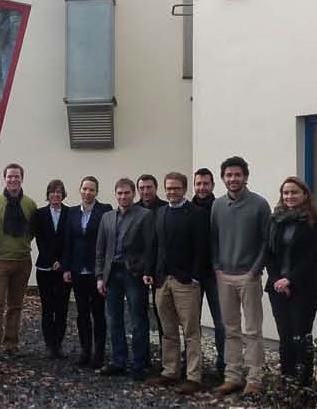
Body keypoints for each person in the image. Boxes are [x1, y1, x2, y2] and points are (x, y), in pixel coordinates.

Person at [143, 172, 208, 395]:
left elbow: (202, 248)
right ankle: (170, 371)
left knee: (191, 331)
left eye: (176, 188)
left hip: (186, 282)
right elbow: (154, 245)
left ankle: (193, 376)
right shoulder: (159, 213)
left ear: (184, 189)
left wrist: (195, 276)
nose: (172, 192)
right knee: (168, 330)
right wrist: (149, 271)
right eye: (169, 188)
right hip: (162, 280)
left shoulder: (197, 214)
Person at [211, 156, 271, 397]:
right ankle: (233, 377)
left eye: (237, 174)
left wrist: (254, 270)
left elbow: (267, 242)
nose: (233, 179)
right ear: (223, 178)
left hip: (249, 276)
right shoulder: (217, 206)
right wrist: (217, 267)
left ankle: (255, 379)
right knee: (230, 329)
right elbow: (213, 239)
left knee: (253, 330)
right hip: (224, 276)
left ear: (245, 177)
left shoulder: (259, 205)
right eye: (228, 175)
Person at [264, 177, 317, 386]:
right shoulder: (276, 220)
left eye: (294, 192)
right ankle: (287, 381)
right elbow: (269, 254)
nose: (289, 196)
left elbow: (313, 256)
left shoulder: (315, 221)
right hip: (277, 287)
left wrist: (289, 280)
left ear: (305, 195)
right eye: (286, 193)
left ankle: (303, 384)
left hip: (305, 286)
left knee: (301, 335)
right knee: (285, 336)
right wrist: (277, 280)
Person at [95, 178, 155, 381]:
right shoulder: (107, 217)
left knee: (138, 319)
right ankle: (118, 361)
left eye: (127, 193)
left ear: (133, 194)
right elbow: (101, 249)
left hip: (134, 275)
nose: (123, 197)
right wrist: (100, 276)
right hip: (111, 274)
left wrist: (144, 269)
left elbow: (149, 247)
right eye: (119, 193)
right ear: (115, 194)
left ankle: (139, 363)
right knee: (114, 319)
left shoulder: (144, 215)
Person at [0, 163, 38, 362]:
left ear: (22, 179)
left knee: (16, 305)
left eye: (17, 176)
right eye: (10, 176)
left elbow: (32, 231)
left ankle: (11, 344)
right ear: (4, 179)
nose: (13, 180)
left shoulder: (30, 205)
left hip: (22, 261)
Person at [63, 176, 112, 368]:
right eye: (84, 189)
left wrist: (104, 271)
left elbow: (107, 241)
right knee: (82, 313)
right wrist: (67, 267)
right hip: (77, 270)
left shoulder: (105, 210)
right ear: (80, 190)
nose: (87, 192)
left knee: (98, 313)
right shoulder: (72, 212)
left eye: (91, 189)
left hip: (96, 270)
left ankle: (99, 353)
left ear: (96, 192)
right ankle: (85, 350)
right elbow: (68, 241)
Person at [191, 167, 225, 375]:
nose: (202, 188)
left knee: (221, 322)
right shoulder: (187, 209)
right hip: (192, 274)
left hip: (216, 274)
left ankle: (223, 364)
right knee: (191, 323)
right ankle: (193, 365)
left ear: (212, 185)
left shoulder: (220, 208)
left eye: (205, 184)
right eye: (198, 184)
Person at [31, 179, 70, 359]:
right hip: (45, 267)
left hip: (64, 269)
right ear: (48, 194)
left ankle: (58, 344)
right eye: (53, 192)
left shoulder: (70, 213)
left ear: (63, 194)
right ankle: (49, 345)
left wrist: (62, 262)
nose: (56, 195)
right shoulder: (39, 214)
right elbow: (40, 240)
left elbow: (70, 240)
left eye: (59, 192)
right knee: (47, 307)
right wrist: (52, 260)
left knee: (62, 308)